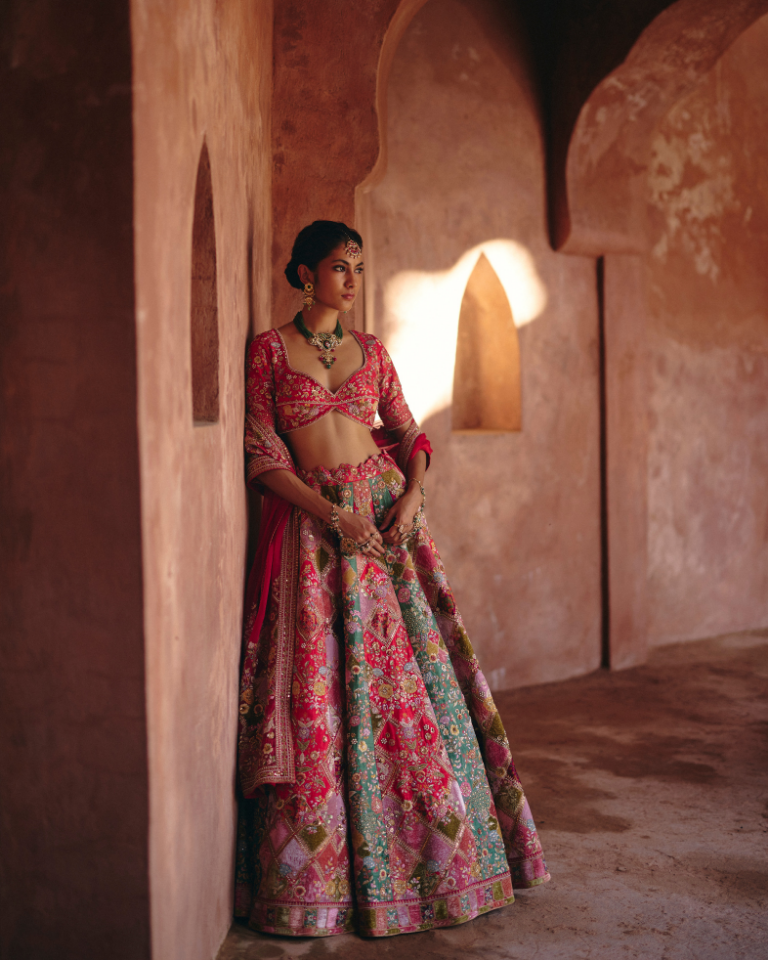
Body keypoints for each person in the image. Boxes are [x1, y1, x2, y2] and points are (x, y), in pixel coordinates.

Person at [235, 221, 549, 939]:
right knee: (326, 694)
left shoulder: (371, 352)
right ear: (305, 274)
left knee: (414, 685)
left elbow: (410, 431)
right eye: (340, 267)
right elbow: (261, 453)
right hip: (317, 536)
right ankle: (324, 881)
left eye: (359, 267)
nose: (353, 280)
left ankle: (443, 863)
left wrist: (413, 495)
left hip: (386, 527)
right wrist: (331, 517)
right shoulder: (268, 351)